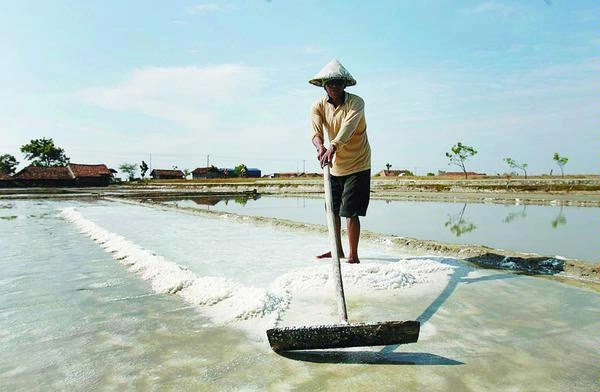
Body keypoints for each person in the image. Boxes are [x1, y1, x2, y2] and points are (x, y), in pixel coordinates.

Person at [309, 59, 371, 264]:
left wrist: (333, 146)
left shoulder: (356, 102)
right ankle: (337, 250)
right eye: (329, 83)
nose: (333, 86)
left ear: (344, 84)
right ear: (324, 86)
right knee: (332, 209)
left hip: (357, 163)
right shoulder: (318, 106)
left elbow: (348, 128)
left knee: (350, 211)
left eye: (337, 83)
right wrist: (320, 148)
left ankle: (353, 255)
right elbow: (316, 132)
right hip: (334, 165)